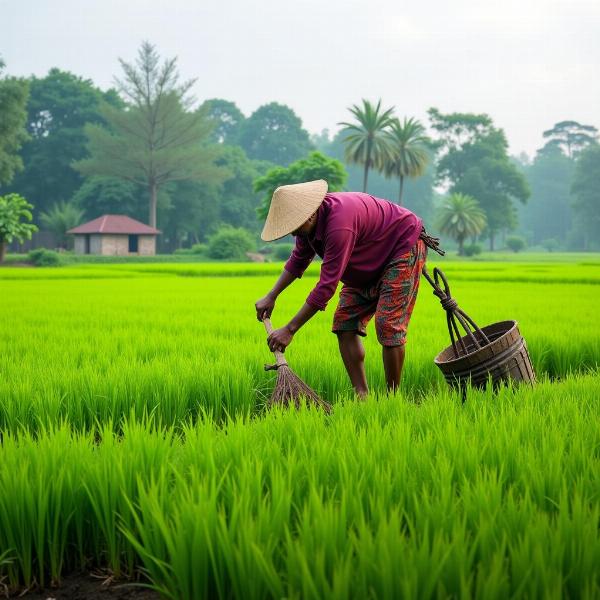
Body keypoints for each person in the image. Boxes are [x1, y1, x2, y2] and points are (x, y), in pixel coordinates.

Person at [254, 179, 444, 397]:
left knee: (388, 325)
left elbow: (327, 286)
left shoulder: (339, 223)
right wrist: (272, 295)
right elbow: (298, 260)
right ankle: (362, 396)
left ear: (309, 215)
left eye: (294, 227)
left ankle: (393, 398)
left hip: (400, 248)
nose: (292, 233)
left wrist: (289, 330)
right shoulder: (307, 228)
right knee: (345, 322)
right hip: (367, 257)